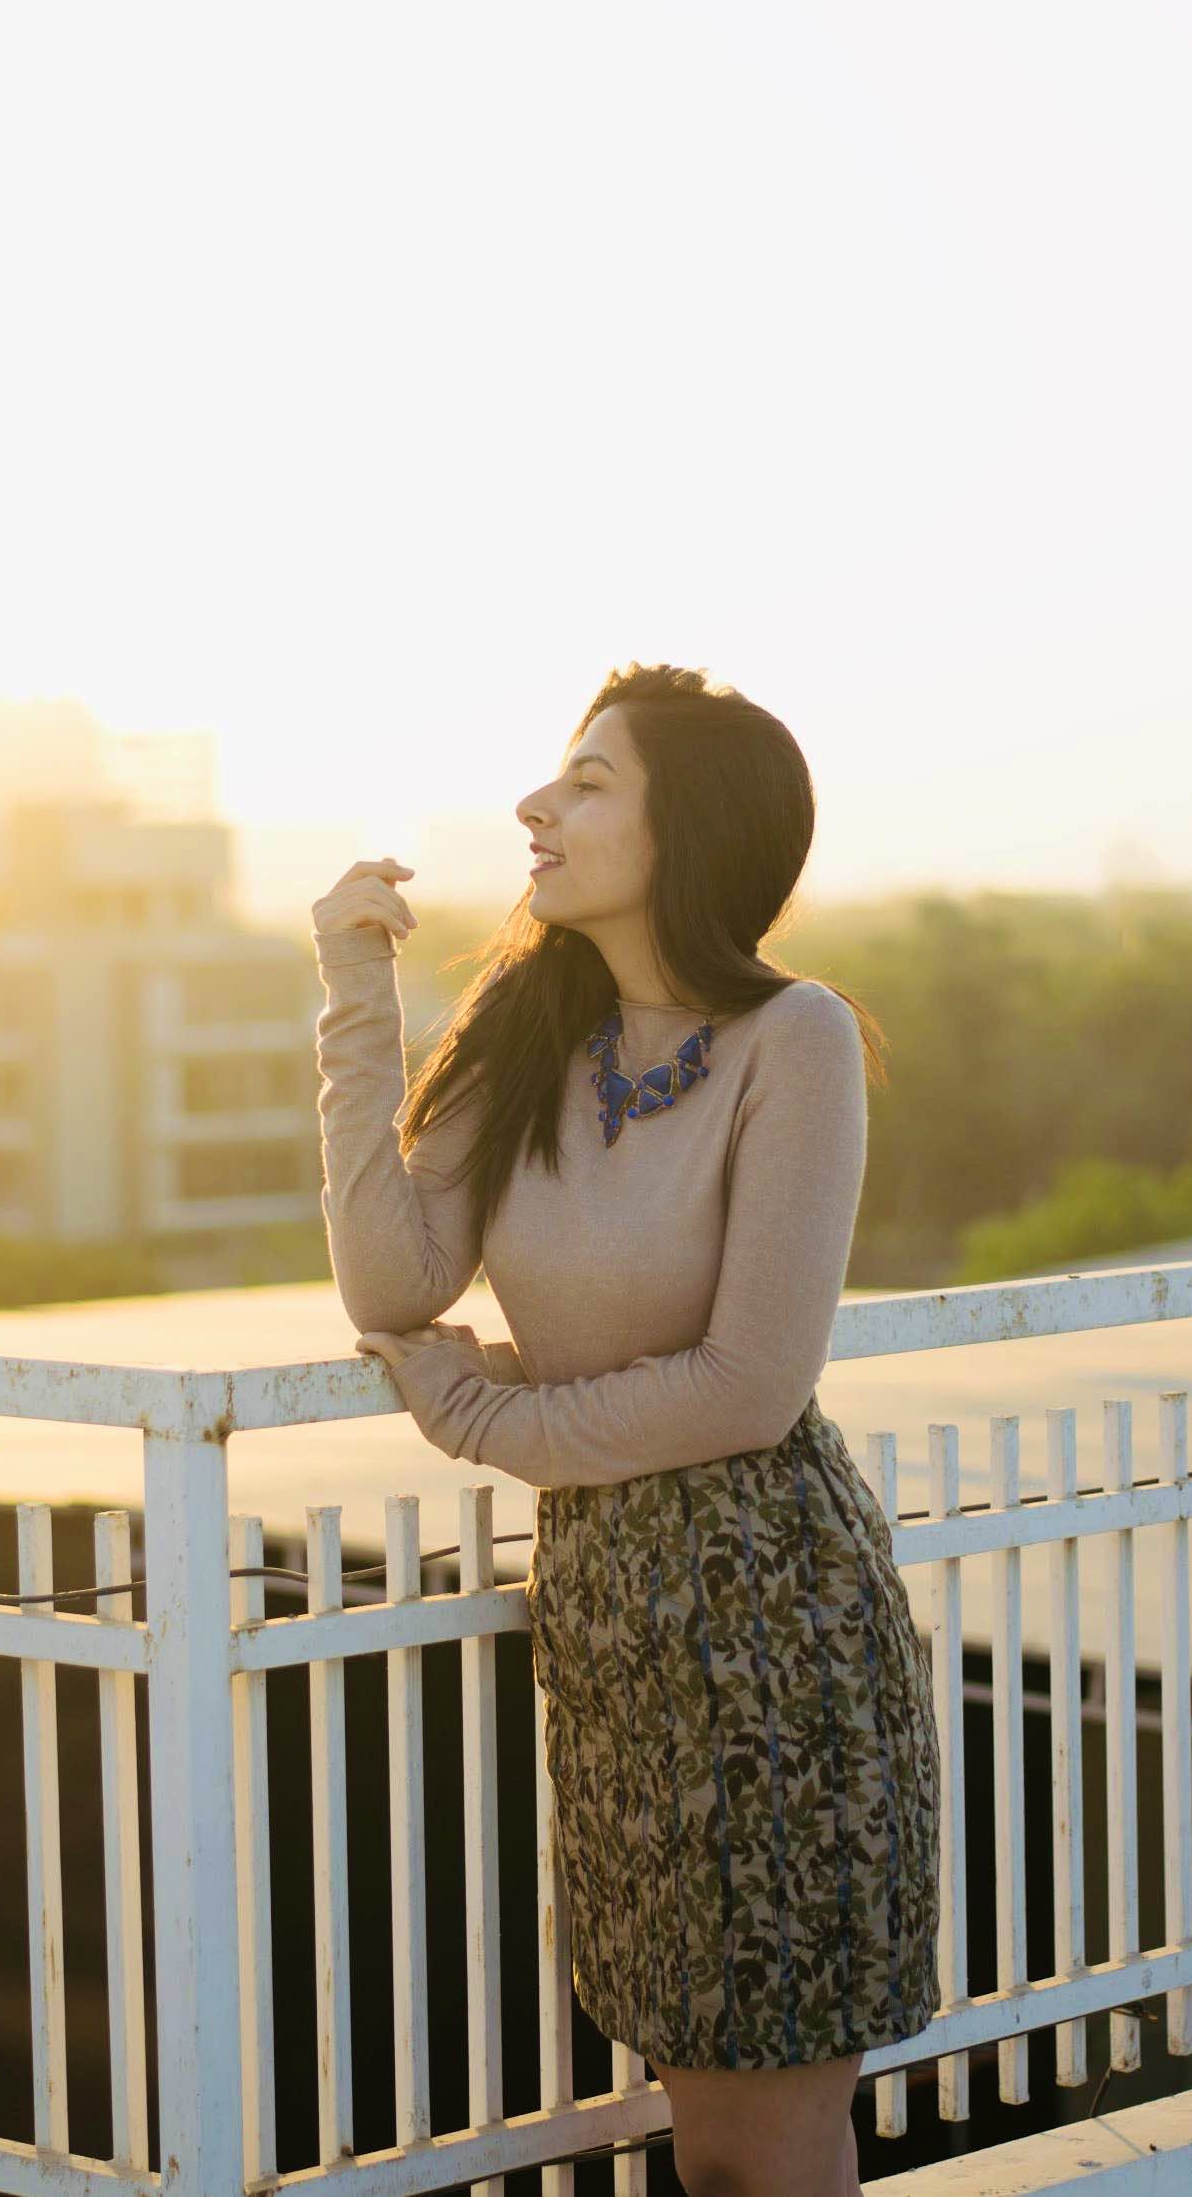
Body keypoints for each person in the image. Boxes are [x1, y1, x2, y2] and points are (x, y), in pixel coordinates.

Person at [311, 661, 939, 2197]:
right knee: (708, 2133)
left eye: (590, 781)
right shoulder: (529, 1027)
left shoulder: (794, 1041)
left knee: (764, 2141)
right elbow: (395, 1279)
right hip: (614, 1625)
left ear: (693, 830)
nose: (538, 804)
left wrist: (482, 1413)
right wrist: (351, 998)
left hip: (777, 1613)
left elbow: (749, 1386)